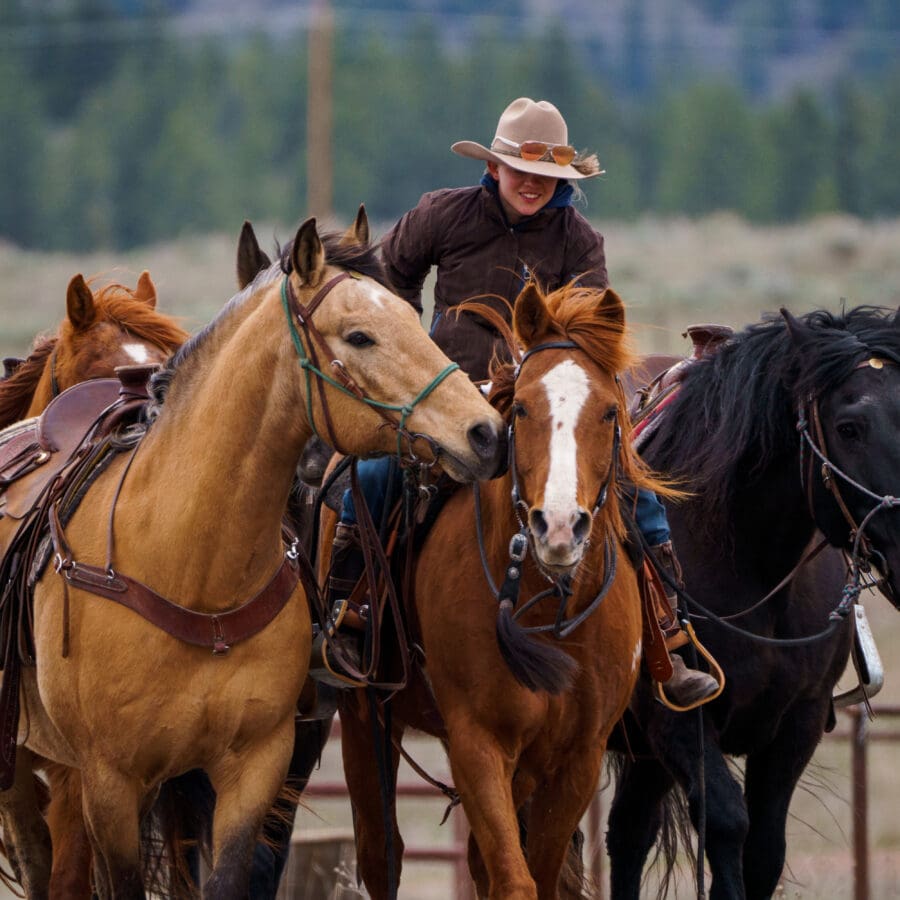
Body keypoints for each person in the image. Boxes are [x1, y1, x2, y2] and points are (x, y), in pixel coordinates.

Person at [312, 97, 718, 707]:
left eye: (548, 177)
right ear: (495, 166)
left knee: (639, 491)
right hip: (444, 400)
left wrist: (539, 379)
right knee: (371, 474)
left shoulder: (579, 241)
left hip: (544, 405)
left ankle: (669, 635)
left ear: (561, 182)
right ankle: (352, 615)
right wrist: (417, 362)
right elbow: (388, 282)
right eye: (521, 170)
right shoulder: (441, 214)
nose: (532, 184)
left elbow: (589, 334)